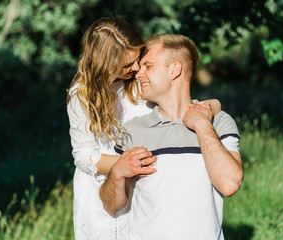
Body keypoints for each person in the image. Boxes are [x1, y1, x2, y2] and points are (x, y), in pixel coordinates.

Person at [67, 17, 222, 240]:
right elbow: (83, 155)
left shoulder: (139, 84)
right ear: (105, 64)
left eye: (138, 58)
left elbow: (180, 106)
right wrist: (124, 163)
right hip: (101, 189)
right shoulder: (81, 95)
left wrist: (211, 106)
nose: (137, 67)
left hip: (141, 185)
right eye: (127, 65)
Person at [99, 34, 244, 239]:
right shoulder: (133, 130)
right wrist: (117, 173)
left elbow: (229, 184)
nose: (138, 73)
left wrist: (202, 125)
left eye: (148, 66)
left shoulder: (218, 122)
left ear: (174, 70)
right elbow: (111, 206)